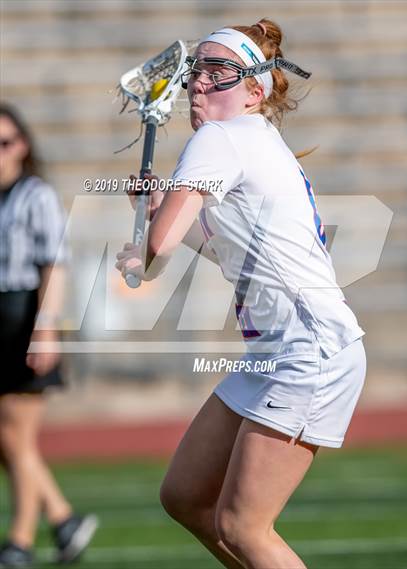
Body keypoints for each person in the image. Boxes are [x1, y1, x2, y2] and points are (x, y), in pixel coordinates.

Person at [116, 19, 366, 569]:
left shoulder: (219, 138)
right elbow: (213, 246)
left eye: (219, 71)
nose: (200, 83)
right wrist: (162, 217)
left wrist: (150, 241)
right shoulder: (249, 142)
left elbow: (156, 250)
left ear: (255, 90)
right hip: (278, 352)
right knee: (184, 496)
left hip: (309, 351)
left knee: (243, 526)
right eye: (196, 72)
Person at [0, 104, 98, 568]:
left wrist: (46, 328)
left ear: (23, 146)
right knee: (8, 440)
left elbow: (54, 263)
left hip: (23, 317)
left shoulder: (34, 195)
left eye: (6, 143)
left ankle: (19, 541)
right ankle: (62, 518)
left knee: (15, 437)